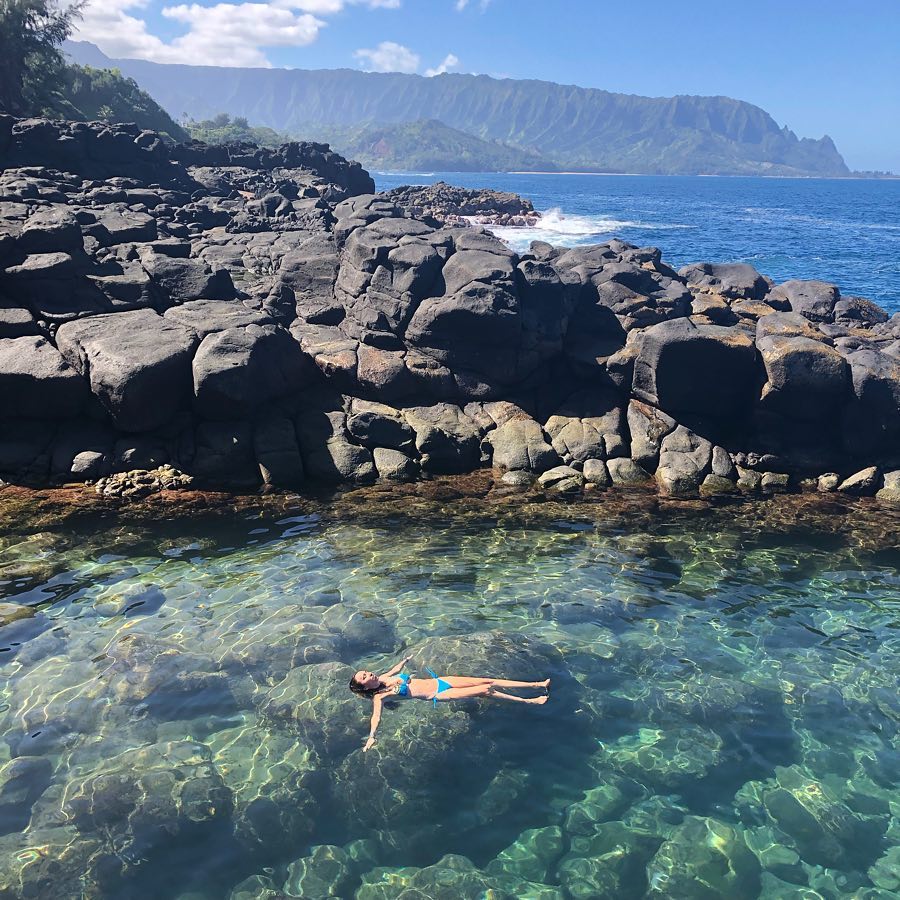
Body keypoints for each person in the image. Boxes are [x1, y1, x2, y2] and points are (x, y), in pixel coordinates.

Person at [349, 655, 551, 751]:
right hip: (438, 694)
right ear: (365, 687)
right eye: (364, 677)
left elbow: (395, 668)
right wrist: (372, 736)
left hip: (440, 681)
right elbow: (376, 716)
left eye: (366, 672)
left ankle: (536, 684)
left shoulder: (384, 677)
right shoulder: (379, 696)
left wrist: (405, 661)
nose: (369, 673)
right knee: (486, 691)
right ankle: (529, 702)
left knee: (486, 680)